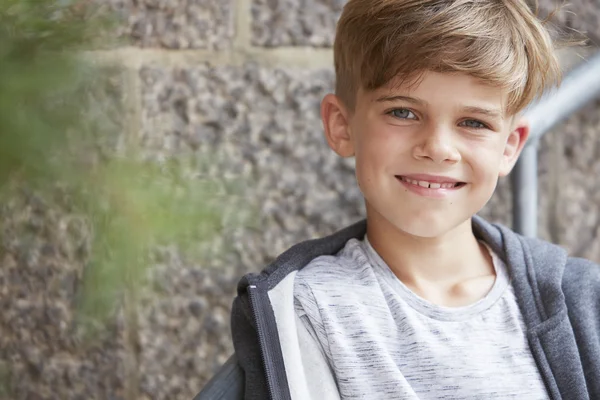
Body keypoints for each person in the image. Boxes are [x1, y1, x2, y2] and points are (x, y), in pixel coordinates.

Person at [229, 1, 600, 399]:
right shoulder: (302, 307)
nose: (438, 148)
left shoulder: (581, 300)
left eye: (473, 123)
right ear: (341, 125)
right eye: (403, 112)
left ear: (510, 147)